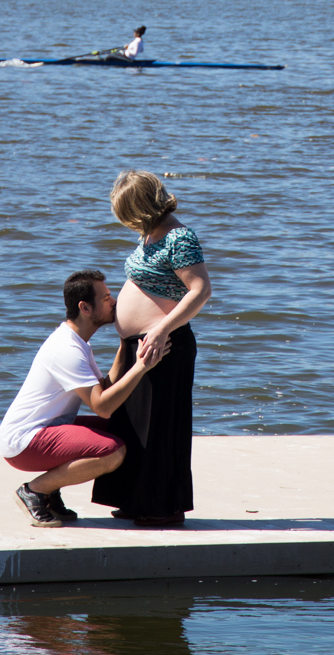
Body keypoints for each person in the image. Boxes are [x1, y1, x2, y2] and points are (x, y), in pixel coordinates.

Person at [0, 268, 162, 527]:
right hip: (24, 441)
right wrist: (141, 367)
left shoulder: (78, 342)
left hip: (48, 428)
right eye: (106, 297)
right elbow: (102, 406)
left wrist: (124, 343)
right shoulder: (67, 350)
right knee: (112, 452)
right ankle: (35, 491)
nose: (114, 301)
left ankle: (52, 493)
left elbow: (104, 387)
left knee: (123, 428)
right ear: (85, 307)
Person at [93, 170, 211, 528]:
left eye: (127, 212)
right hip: (139, 345)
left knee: (161, 427)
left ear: (141, 206)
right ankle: (134, 500)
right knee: (133, 426)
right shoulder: (149, 233)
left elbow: (201, 290)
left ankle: (163, 508)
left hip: (165, 345)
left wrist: (161, 329)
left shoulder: (180, 238)